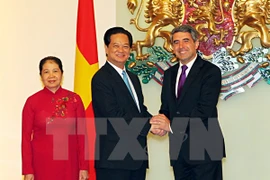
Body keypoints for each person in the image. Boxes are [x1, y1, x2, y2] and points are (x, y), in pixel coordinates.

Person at [150, 25, 226, 180]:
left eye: (186, 41)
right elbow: (166, 108)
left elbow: (203, 110)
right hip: (179, 151)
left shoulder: (210, 72)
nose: (181, 46)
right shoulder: (169, 74)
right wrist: (159, 124)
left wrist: (170, 126)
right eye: (176, 42)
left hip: (205, 151)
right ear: (172, 47)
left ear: (196, 44)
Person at [91, 27, 158, 180]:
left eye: (126, 46)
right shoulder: (101, 78)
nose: (121, 50)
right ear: (106, 48)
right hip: (114, 161)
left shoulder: (133, 78)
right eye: (116, 45)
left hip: (137, 158)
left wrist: (155, 121)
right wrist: (148, 125)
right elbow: (113, 116)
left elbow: (139, 110)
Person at [21, 56, 89, 180]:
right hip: (41, 165)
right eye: (46, 72)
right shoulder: (32, 102)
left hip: (70, 164)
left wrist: (84, 167)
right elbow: (25, 138)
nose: (51, 75)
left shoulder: (75, 99)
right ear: (41, 76)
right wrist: (28, 170)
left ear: (62, 73)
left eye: (55, 71)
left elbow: (82, 135)